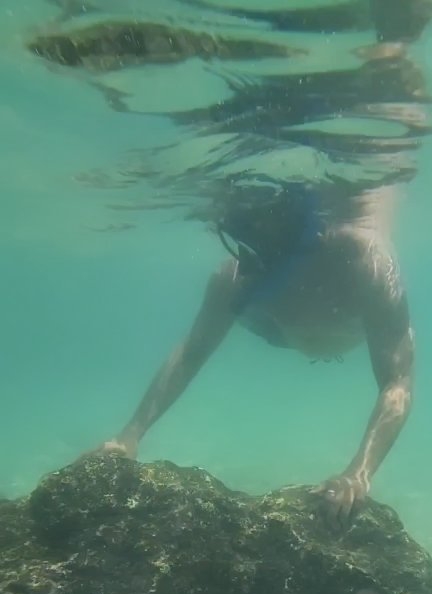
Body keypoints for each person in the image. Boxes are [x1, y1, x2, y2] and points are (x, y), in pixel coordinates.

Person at [94, 182, 414, 525]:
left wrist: (358, 473)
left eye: (267, 248)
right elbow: (191, 353)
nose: (250, 263)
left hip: (345, 332)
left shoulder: (364, 261)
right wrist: (129, 435)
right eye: (244, 244)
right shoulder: (235, 279)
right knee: (229, 297)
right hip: (276, 332)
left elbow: (398, 381)